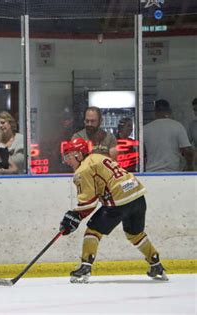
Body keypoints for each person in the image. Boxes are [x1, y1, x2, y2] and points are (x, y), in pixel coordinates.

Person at [59, 138, 168, 283]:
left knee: (93, 230)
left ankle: (85, 266)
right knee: (135, 234)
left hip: (119, 200)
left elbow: (88, 202)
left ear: (79, 154)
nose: (67, 161)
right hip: (137, 195)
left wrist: (75, 216)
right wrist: (76, 216)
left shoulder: (82, 170)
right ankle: (156, 264)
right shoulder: (98, 156)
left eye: (69, 156)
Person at [144, 99, 194, 172]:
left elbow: (140, 152)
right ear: (169, 111)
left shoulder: (145, 129)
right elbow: (187, 150)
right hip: (173, 173)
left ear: (155, 112)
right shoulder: (177, 126)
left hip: (151, 173)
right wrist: (189, 166)